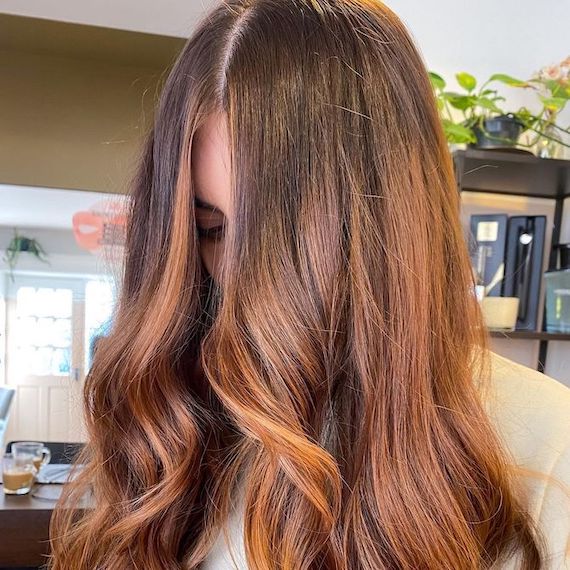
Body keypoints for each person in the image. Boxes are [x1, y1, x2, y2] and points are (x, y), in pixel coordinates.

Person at [48, 0, 570, 568]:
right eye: (211, 229)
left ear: (385, 221)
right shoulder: (173, 414)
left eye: (288, 238)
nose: (244, 282)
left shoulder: (546, 441)